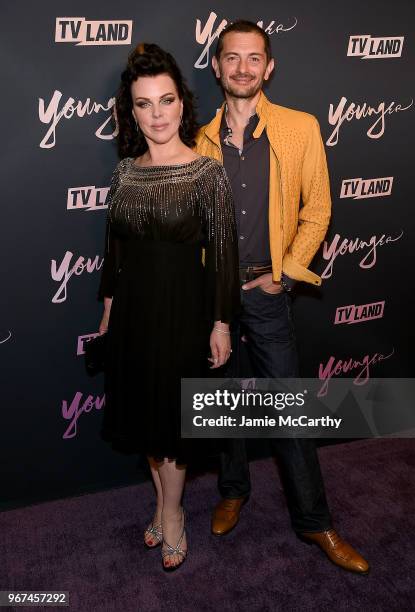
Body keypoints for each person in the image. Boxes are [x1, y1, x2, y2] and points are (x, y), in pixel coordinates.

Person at [194, 20, 369, 574]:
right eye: (232, 58)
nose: (242, 68)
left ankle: (316, 522)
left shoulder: (299, 128)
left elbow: (317, 209)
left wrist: (285, 274)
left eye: (254, 58)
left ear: (268, 67)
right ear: (217, 66)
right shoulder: (197, 139)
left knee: (289, 410)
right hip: (215, 295)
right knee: (222, 404)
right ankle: (233, 489)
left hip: (269, 291)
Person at [97, 43, 239, 571]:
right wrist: (109, 311)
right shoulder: (125, 173)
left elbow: (224, 254)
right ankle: (161, 504)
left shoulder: (206, 174)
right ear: (130, 111)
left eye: (165, 100)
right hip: (134, 313)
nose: (156, 114)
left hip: (183, 312)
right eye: (143, 103)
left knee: (173, 423)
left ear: (183, 103)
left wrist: (221, 321)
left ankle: (174, 515)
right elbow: (114, 251)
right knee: (146, 421)